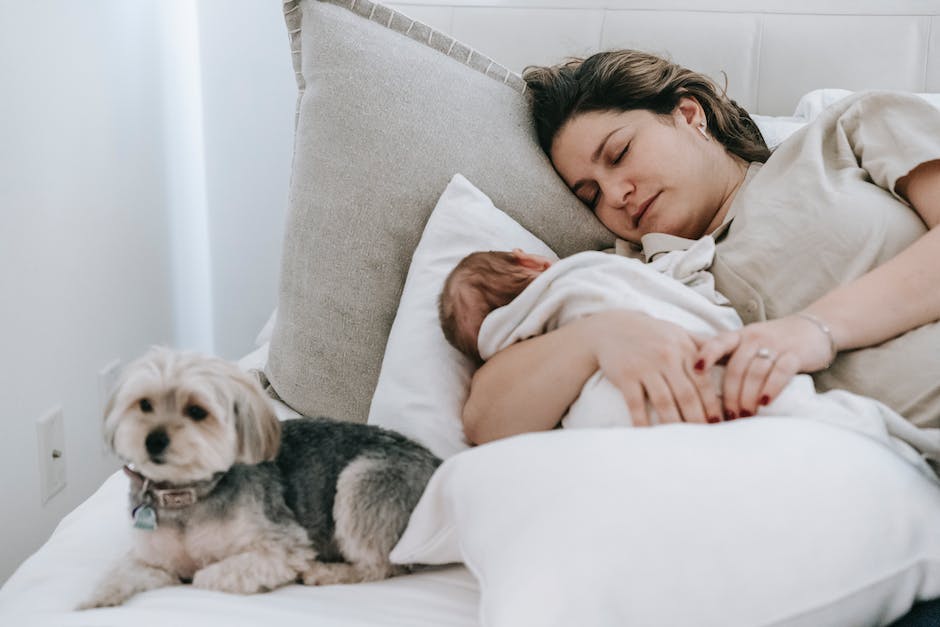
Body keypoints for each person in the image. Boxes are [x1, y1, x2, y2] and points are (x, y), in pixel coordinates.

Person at [461, 49, 940, 445]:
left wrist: (816, 330)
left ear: (690, 115)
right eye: (590, 195)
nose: (614, 195)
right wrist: (600, 337)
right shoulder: (634, 280)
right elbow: (487, 421)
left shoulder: (842, 135)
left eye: (620, 153)